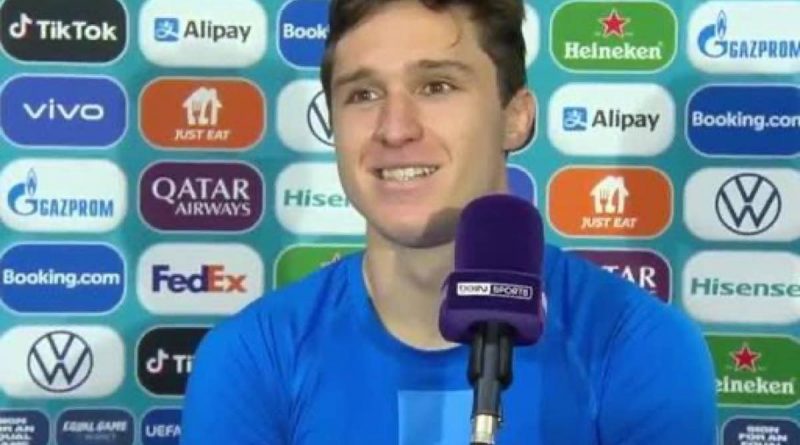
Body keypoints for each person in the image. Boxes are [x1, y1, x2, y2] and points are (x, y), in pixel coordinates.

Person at [181, 0, 718, 443]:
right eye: (363, 94)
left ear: (516, 117)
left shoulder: (636, 344)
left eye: (436, 86)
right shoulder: (251, 357)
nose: (395, 129)